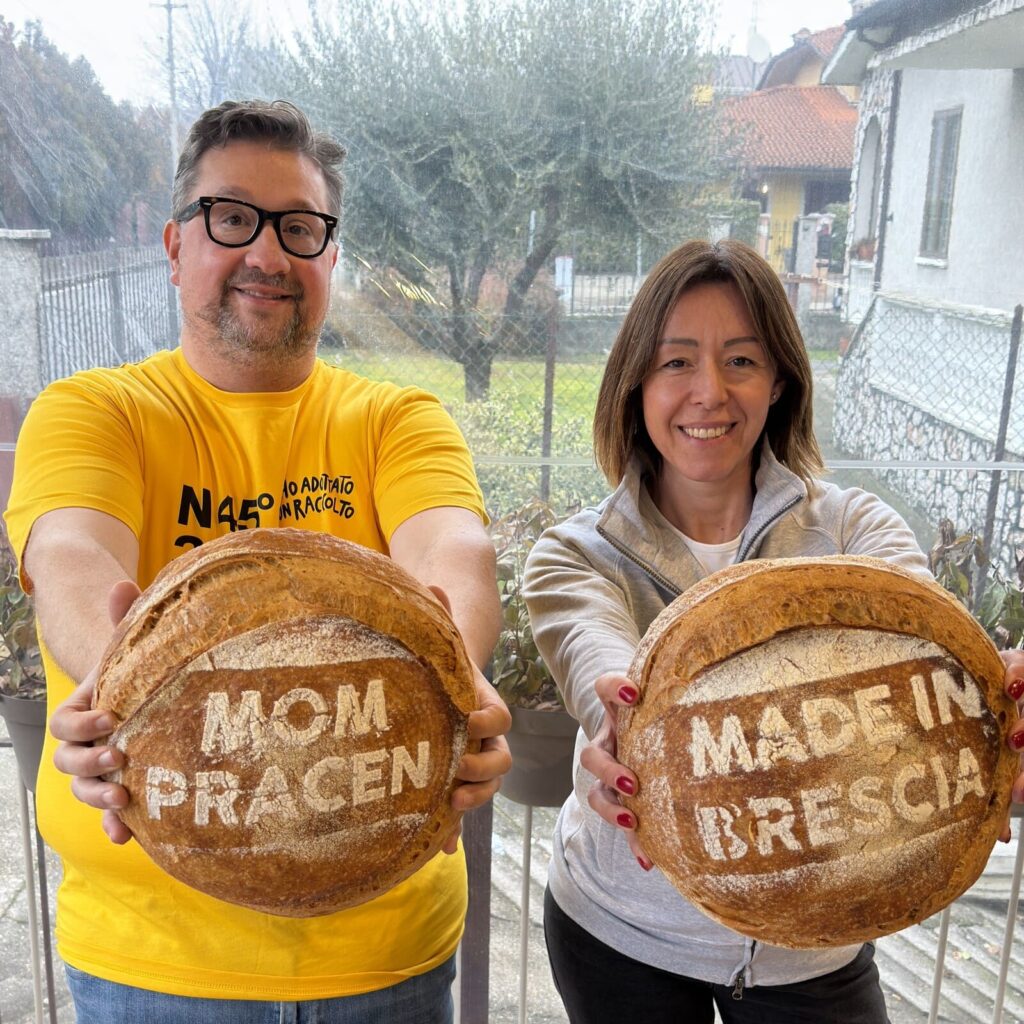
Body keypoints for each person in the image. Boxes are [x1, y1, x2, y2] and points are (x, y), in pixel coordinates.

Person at [4, 99, 511, 1022]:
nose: (269, 254)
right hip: (153, 966)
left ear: (330, 258)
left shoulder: (397, 420)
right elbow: (73, 553)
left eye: (300, 228)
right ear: (175, 246)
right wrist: (116, 683)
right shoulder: (96, 411)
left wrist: (459, 677)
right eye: (232, 218)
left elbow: (455, 553)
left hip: (385, 957)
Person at [522, 239, 1024, 1023]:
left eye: (742, 361)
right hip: (621, 931)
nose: (709, 392)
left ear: (780, 379)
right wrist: (621, 720)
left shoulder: (855, 529)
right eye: (676, 362)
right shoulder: (575, 554)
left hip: (813, 950)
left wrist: (986, 706)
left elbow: (925, 641)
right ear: (636, 383)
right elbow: (598, 659)